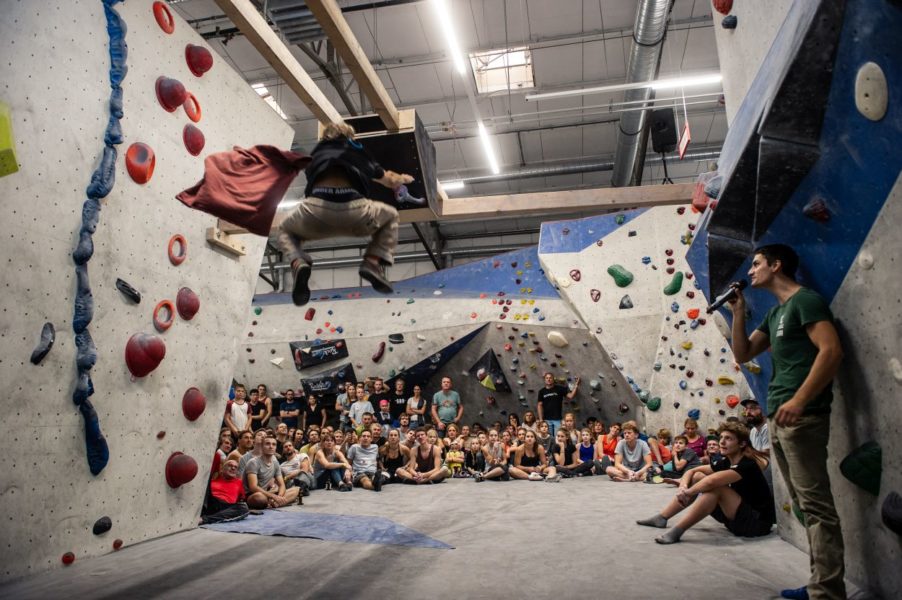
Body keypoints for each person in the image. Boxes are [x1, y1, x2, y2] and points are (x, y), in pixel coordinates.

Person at [729, 244, 845, 600]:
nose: (750, 271)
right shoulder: (776, 313)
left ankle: (828, 592)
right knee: (802, 505)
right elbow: (743, 353)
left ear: (776, 265)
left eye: (756, 264)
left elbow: (831, 351)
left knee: (816, 505)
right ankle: (819, 583)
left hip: (803, 416)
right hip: (779, 417)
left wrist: (799, 399)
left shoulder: (805, 301)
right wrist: (738, 312)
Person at [277, 121, 414, 304]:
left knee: (285, 229)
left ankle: (297, 262)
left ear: (325, 137)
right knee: (390, 216)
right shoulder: (355, 150)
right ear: (350, 137)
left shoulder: (315, 154)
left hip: (317, 211)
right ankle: (372, 262)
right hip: (354, 209)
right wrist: (403, 178)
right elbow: (389, 180)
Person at [637, 422, 774, 545]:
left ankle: (678, 530)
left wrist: (688, 493)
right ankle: (662, 517)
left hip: (755, 523)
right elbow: (693, 471)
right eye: (721, 437)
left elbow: (711, 481)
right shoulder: (727, 461)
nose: (722, 442)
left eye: (728, 438)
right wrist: (683, 487)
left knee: (717, 488)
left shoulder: (748, 464)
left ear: (742, 444)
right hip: (735, 518)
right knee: (698, 476)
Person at [245, 436, 300, 509]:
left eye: (274, 444)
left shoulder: (275, 463)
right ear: (262, 447)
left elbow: (282, 485)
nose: (271, 446)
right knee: (260, 498)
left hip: (267, 493)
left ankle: (275, 503)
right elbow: (253, 487)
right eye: (267, 444)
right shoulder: (253, 462)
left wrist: (279, 497)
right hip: (253, 495)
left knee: (296, 489)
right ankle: (274, 502)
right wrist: (273, 496)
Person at [201, 460, 250, 524]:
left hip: (225, 507)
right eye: (230, 465)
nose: (233, 468)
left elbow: (241, 499)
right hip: (209, 503)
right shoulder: (213, 479)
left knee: (243, 507)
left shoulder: (239, 482)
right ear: (222, 469)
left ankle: (203, 520)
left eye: (236, 467)